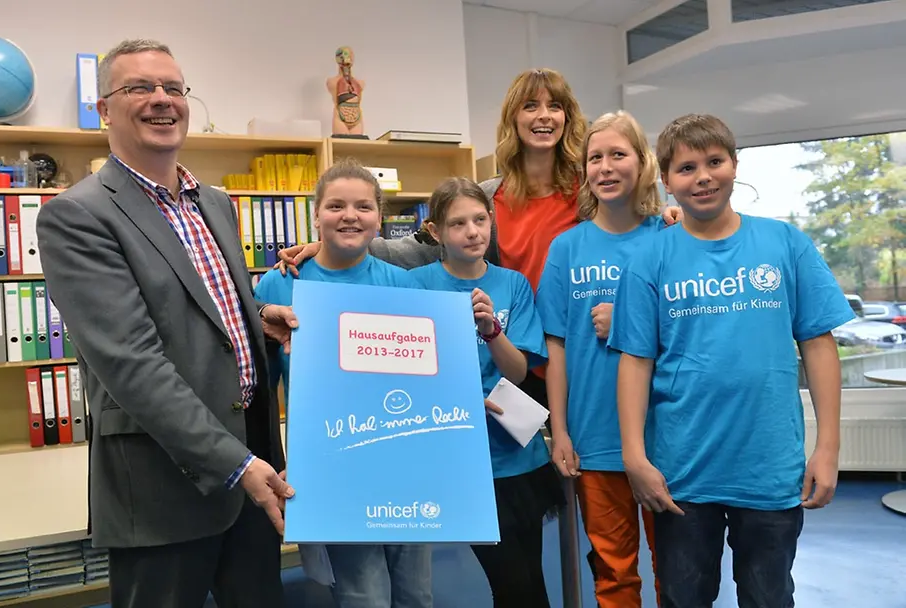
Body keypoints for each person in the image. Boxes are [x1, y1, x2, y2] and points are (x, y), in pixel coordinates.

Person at [35, 39, 298, 608]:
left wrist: (256, 316)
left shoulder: (216, 203)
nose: (162, 100)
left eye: (173, 88)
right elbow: (130, 363)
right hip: (163, 486)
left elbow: (193, 299)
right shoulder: (77, 216)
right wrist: (236, 465)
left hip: (255, 463)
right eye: (139, 88)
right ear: (104, 109)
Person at [277, 68, 682, 409]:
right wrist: (337, 244)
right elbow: (420, 248)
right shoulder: (488, 195)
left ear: (567, 117)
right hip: (518, 355)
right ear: (513, 119)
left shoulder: (590, 189)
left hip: (585, 350)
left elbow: (633, 227)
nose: (544, 116)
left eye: (554, 106)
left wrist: (666, 213)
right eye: (531, 106)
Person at [608, 113, 853, 608]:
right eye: (686, 167)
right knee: (682, 597)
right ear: (666, 180)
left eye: (714, 162)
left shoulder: (785, 243)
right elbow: (635, 362)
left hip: (769, 469)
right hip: (682, 473)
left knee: (769, 596)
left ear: (734, 165)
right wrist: (634, 457)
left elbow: (819, 345)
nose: (702, 177)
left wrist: (827, 447)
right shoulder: (649, 261)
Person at [254, 158, 433, 608]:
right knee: (362, 594)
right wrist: (283, 462)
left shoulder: (403, 285)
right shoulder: (279, 286)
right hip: (332, 463)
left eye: (363, 206)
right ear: (316, 216)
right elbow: (262, 389)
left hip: (404, 463)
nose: (350, 216)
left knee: (417, 593)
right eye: (335, 206)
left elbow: (427, 381)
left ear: (378, 217)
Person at [407, 177, 564, 607]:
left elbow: (518, 372)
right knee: (511, 584)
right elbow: (406, 369)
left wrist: (492, 329)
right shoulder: (416, 286)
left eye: (480, 219)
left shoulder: (512, 284)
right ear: (436, 232)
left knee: (532, 581)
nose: (472, 231)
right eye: (458, 224)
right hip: (462, 457)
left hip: (517, 454)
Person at [535, 110, 665, 608]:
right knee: (613, 574)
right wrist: (561, 431)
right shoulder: (567, 248)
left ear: (642, 163)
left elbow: (693, 330)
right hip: (594, 438)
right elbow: (557, 346)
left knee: (678, 569)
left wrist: (631, 316)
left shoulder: (669, 238)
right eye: (595, 157)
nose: (606, 167)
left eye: (618, 154)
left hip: (666, 438)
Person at [327, 46, 365, 136]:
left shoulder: (360, 83)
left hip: (356, 117)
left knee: (356, 146)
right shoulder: (332, 82)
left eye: (350, 55)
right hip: (340, 116)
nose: (347, 59)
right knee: (341, 144)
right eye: (343, 56)